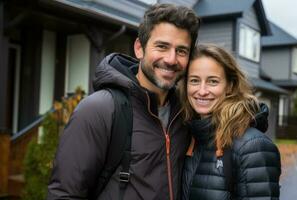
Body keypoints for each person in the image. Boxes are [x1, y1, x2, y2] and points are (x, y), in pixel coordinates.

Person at [47, 4, 200, 200]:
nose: (171, 59)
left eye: (181, 51)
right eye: (162, 46)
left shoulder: (186, 112)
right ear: (139, 48)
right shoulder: (100, 110)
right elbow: (64, 194)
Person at [180, 44, 281, 200]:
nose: (201, 91)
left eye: (212, 81)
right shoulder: (192, 136)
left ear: (230, 86)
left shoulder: (252, 145)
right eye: (194, 80)